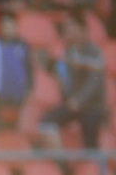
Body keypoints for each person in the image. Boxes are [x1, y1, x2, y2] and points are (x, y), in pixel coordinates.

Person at [40, 13, 106, 149]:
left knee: (90, 145)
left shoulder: (93, 51)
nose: (67, 29)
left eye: (71, 25)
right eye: (66, 26)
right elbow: (56, 72)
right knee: (46, 123)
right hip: (71, 104)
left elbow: (95, 81)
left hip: (91, 105)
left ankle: (92, 162)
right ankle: (60, 160)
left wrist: (79, 100)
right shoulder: (67, 50)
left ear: (82, 28)